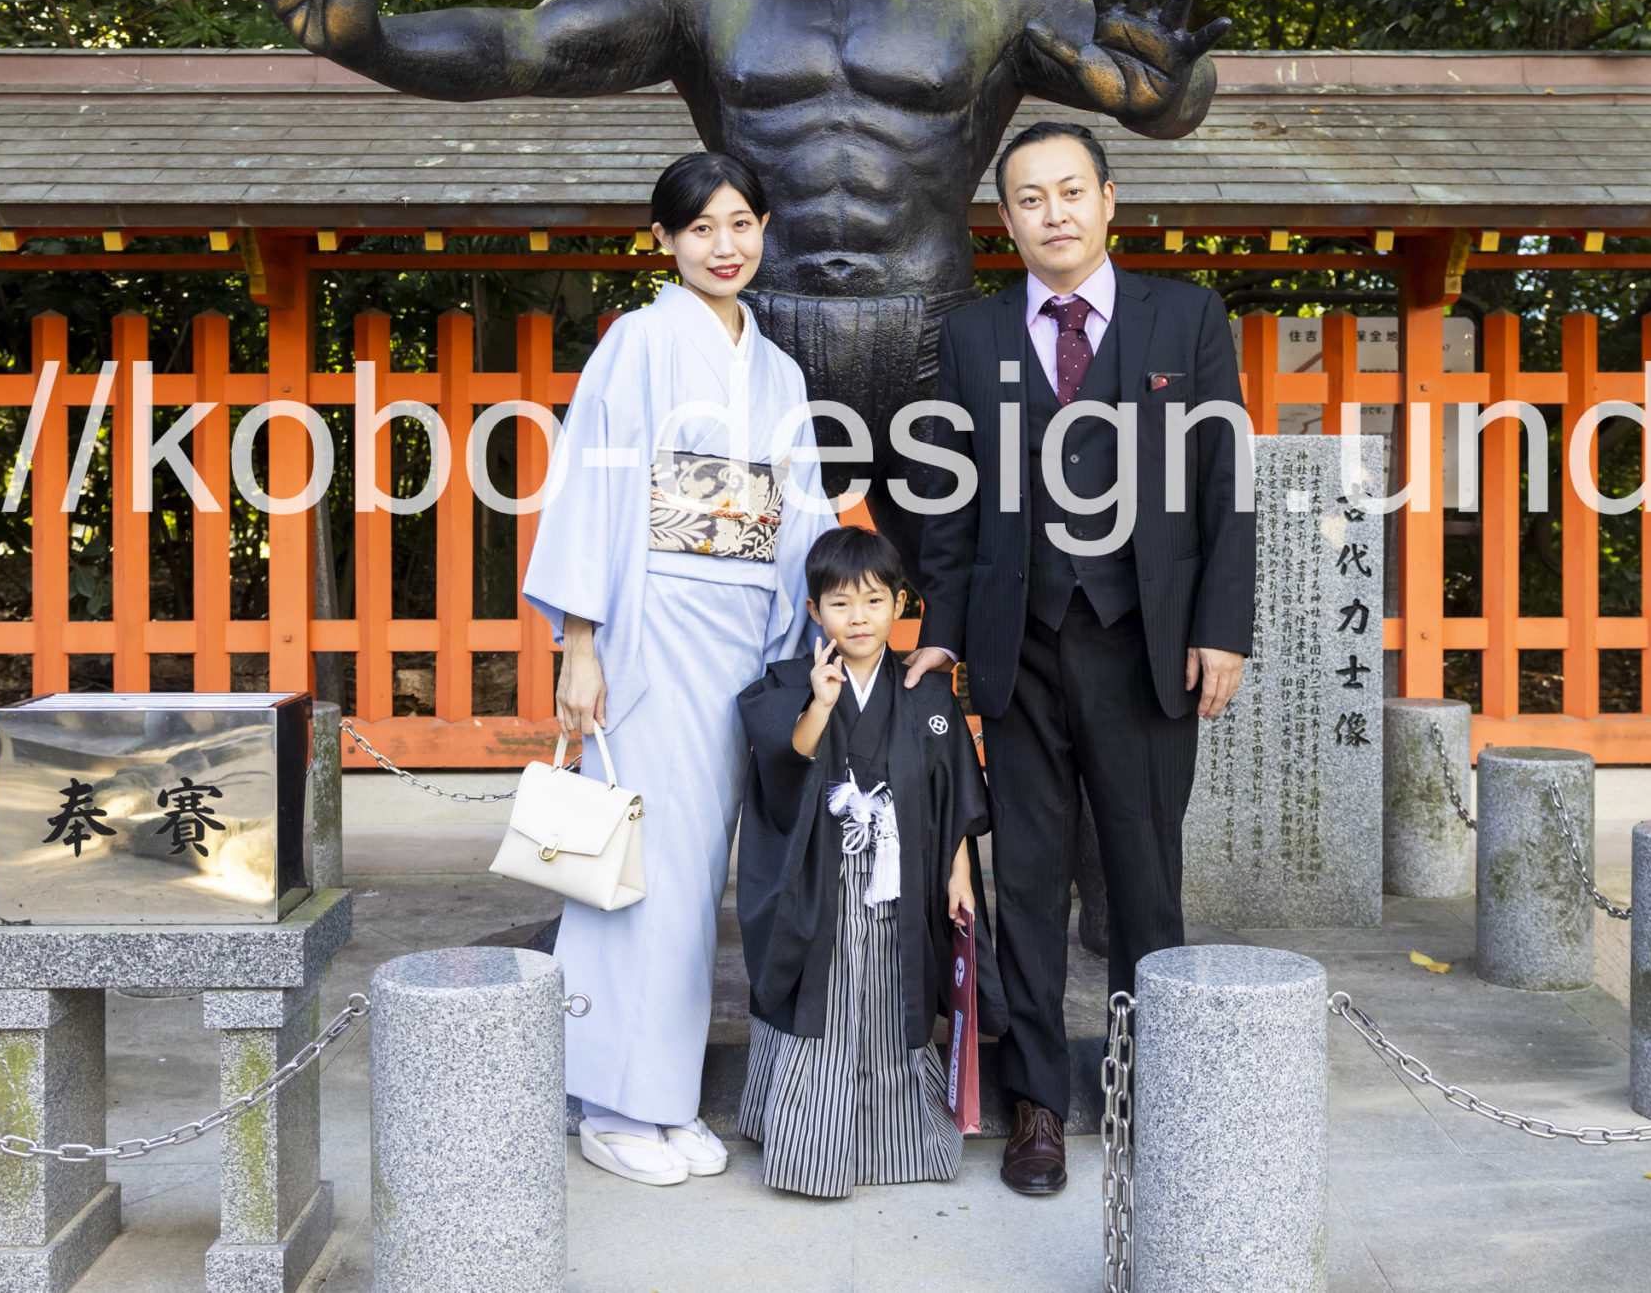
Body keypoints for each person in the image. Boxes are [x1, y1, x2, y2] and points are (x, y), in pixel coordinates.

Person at [208, 0, 1229, 585]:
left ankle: (993, 750)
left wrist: (1168, 90)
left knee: (992, 585)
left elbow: (1161, 94)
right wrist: (376, 43)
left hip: (935, 336)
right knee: (718, 575)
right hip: (756, 338)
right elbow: (526, 45)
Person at [906, 121, 1257, 1196]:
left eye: (1070, 191)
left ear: (1108, 199)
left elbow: (1225, 483)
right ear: (1004, 220)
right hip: (1017, 647)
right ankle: (1038, 1105)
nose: (1052, 213)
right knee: (1024, 880)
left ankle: (1160, 1083)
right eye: (1030, 197)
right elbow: (950, 505)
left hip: (1146, 641)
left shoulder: (1185, 317)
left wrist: (1223, 627)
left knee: (1145, 874)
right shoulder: (971, 336)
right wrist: (940, 634)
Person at [519, 148, 838, 1187]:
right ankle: (616, 1103)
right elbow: (591, 485)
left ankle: (660, 1094)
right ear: (663, 240)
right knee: (640, 870)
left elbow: (802, 514)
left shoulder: (778, 370)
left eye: (741, 222)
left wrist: (822, 627)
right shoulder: (638, 342)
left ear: (764, 229)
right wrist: (580, 642)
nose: (724, 245)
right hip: (652, 628)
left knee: (702, 873)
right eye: (701, 227)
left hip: (748, 634)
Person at [733, 525, 991, 1198]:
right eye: (840, 603)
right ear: (814, 609)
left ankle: (898, 1142)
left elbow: (951, 792)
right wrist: (820, 704)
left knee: (888, 999)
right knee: (825, 1001)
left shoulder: (925, 691)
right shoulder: (792, 682)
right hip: (824, 879)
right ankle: (812, 1149)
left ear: (900, 604)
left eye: (874, 600)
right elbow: (785, 766)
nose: (858, 617)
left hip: (903, 879)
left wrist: (959, 872)